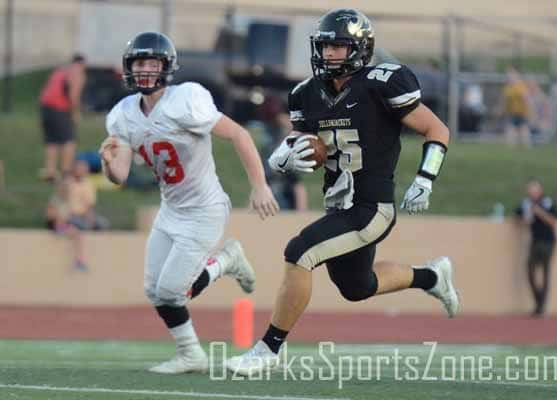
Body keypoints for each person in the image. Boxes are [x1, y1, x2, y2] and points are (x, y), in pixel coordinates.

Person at [226, 8, 459, 375]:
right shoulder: (306, 94)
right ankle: (432, 277)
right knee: (357, 287)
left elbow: (437, 129)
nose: (329, 54)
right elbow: (301, 144)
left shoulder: (383, 83)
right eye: (325, 46)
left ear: (360, 48)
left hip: (372, 207)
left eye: (338, 46)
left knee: (299, 252)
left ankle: (268, 349)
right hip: (339, 206)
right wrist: (280, 159)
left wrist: (425, 179)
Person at [98, 32, 279, 374]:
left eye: (153, 63)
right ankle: (191, 354)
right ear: (129, 68)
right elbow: (119, 176)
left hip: (204, 209)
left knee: (171, 289)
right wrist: (108, 163)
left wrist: (260, 186)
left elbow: (240, 134)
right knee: (155, 290)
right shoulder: (123, 115)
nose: (146, 70)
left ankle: (226, 261)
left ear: (167, 67)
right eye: (140, 63)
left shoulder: (187, 101)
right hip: (171, 210)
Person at [39, 54, 87, 181]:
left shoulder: (60, 71)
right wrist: (75, 113)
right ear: (83, 64)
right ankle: (66, 172)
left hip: (45, 107)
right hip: (59, 109)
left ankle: (50, 172)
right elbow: (73, 96)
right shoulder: (78, 73)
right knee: (69, 140)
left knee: (52, 141)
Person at [515, 180, 557, 317]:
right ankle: (538, 301)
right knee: (530, 271)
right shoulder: (525, 204)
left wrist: (539, 212)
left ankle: (541, 307)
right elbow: (516, 218)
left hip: (548, 242)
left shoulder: (547, 203)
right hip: (535, 242)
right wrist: (524, 221)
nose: (532, 192)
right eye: (530, 190)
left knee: (545, 273)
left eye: (535, 189)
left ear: (540, 190)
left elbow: (554, 222)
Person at [45, 178, 89, 272]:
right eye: (65, 188)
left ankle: (79, 261)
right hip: (56, 225)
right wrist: (59, 220)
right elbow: (50, 215)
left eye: (68, 189)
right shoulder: (56, 200)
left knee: (77, 233)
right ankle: (79, 261)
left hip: (64, 224)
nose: (67, 190)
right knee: (76, 234)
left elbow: (69, 215)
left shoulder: (67, 202)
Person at [502, 66, 531, 146]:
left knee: (524, 132)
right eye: (509, 74)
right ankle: (510, 150)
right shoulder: (507, 87)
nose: (510, 76)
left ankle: (526, 148)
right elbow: (505, 101)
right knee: (510, 132)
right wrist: (504, 111)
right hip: (511, 113)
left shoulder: (521, 86)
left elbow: (527, 99)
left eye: (512, 74)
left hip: (522, 113)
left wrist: (530, 112)